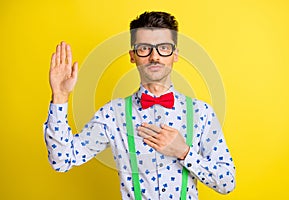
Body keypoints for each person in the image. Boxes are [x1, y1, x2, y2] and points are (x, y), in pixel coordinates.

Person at [44, 11, 235, 199]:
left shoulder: (201, 113)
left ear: (175, 54)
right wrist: (60, 96)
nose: (154, 56)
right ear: (133, 55)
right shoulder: (113, 114)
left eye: (164, 48)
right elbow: (62, 159)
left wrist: (184, 152)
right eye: (144, 48)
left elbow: (227, 182)